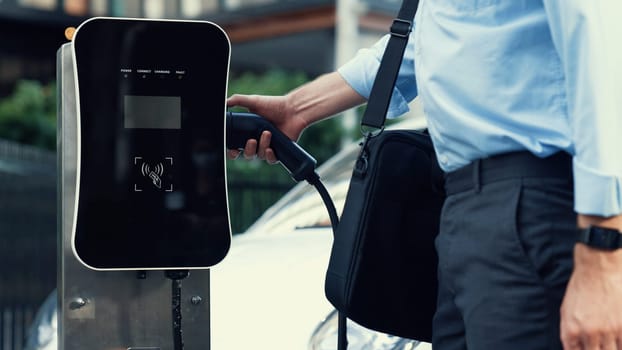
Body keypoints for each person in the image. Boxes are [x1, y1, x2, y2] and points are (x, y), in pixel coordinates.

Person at [227, 1, 622, 349]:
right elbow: (419, 45)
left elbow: (599, 48)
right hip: (463, 209)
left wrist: (603, 251)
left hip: (530, 202)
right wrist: (297, 108)